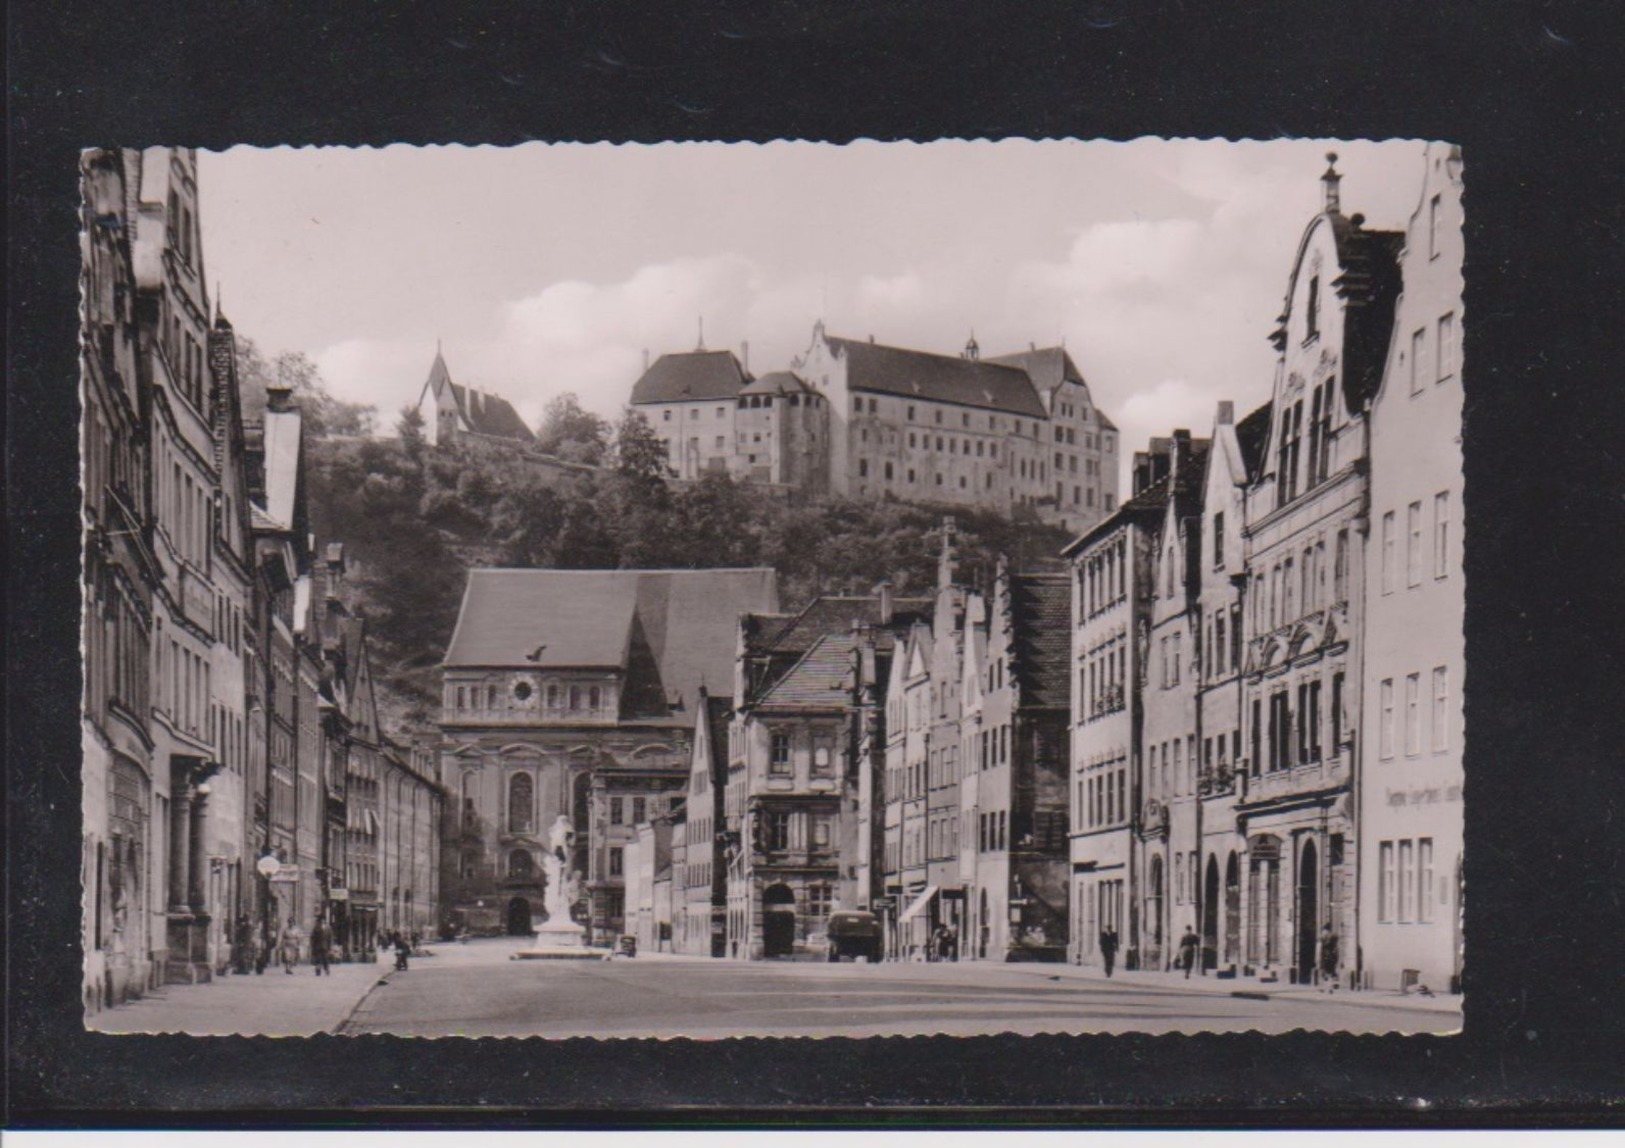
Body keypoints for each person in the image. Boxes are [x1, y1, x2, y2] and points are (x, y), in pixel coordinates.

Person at [1318, 924, 1340, 992]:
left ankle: (1323, 987)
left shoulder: (1323, 937)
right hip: (1331, 956)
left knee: (1324, 972)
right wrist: (1336, 958)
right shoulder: (1333, 937)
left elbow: (1320, 948)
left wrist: (1319, 958)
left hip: (1325, 956)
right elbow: (1336, 949)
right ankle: (1330, 987)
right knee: (1330, 973)